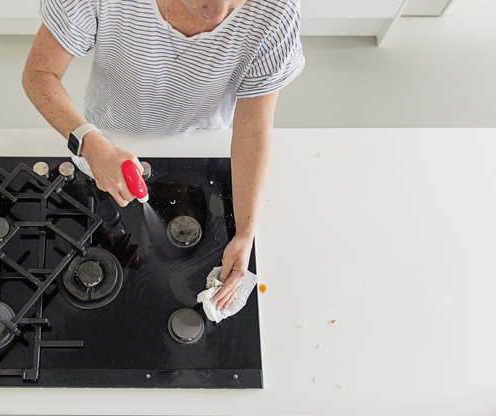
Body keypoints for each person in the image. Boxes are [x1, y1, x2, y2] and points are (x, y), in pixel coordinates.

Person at [22, 0, 304, 311]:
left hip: (204, 141)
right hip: (109, 135)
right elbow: (39, 72)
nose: (220, 14)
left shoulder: (276, 9)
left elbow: (253, 131)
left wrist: (246, 231)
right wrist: (89, 141)